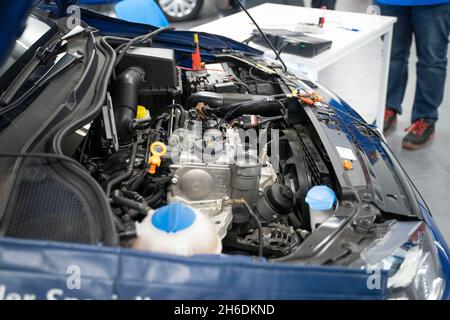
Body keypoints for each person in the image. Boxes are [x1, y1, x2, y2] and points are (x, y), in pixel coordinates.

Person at [377, 0, 450, 149]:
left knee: (431, 62)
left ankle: (425, 118)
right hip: (390, 2)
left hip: (434, 3)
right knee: (392, 56)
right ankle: (388, 108)